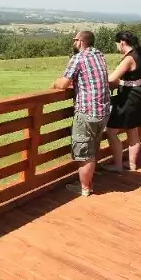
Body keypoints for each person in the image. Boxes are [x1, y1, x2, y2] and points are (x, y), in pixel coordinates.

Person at [51, 30, 110, 197]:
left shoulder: (79, 57)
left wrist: (54, 83)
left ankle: (84, 188)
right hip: (103, 111)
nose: (73, 42)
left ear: (80, 42)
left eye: (74, 39)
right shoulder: (99, 55)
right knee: (92, 150)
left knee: (84, 154)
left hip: (87, 111)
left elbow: (63, 83)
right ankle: (88, 183)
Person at [102, 31, 141, 172]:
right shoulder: (138, 54)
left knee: (110, 132)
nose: (116, 47)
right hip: (138, 94)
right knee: (132, 131)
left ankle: (118, 165)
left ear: (122, 42)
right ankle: (131, 164)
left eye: (116, 44)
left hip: (129, 97)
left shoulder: (128, 58)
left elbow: (111, 78)